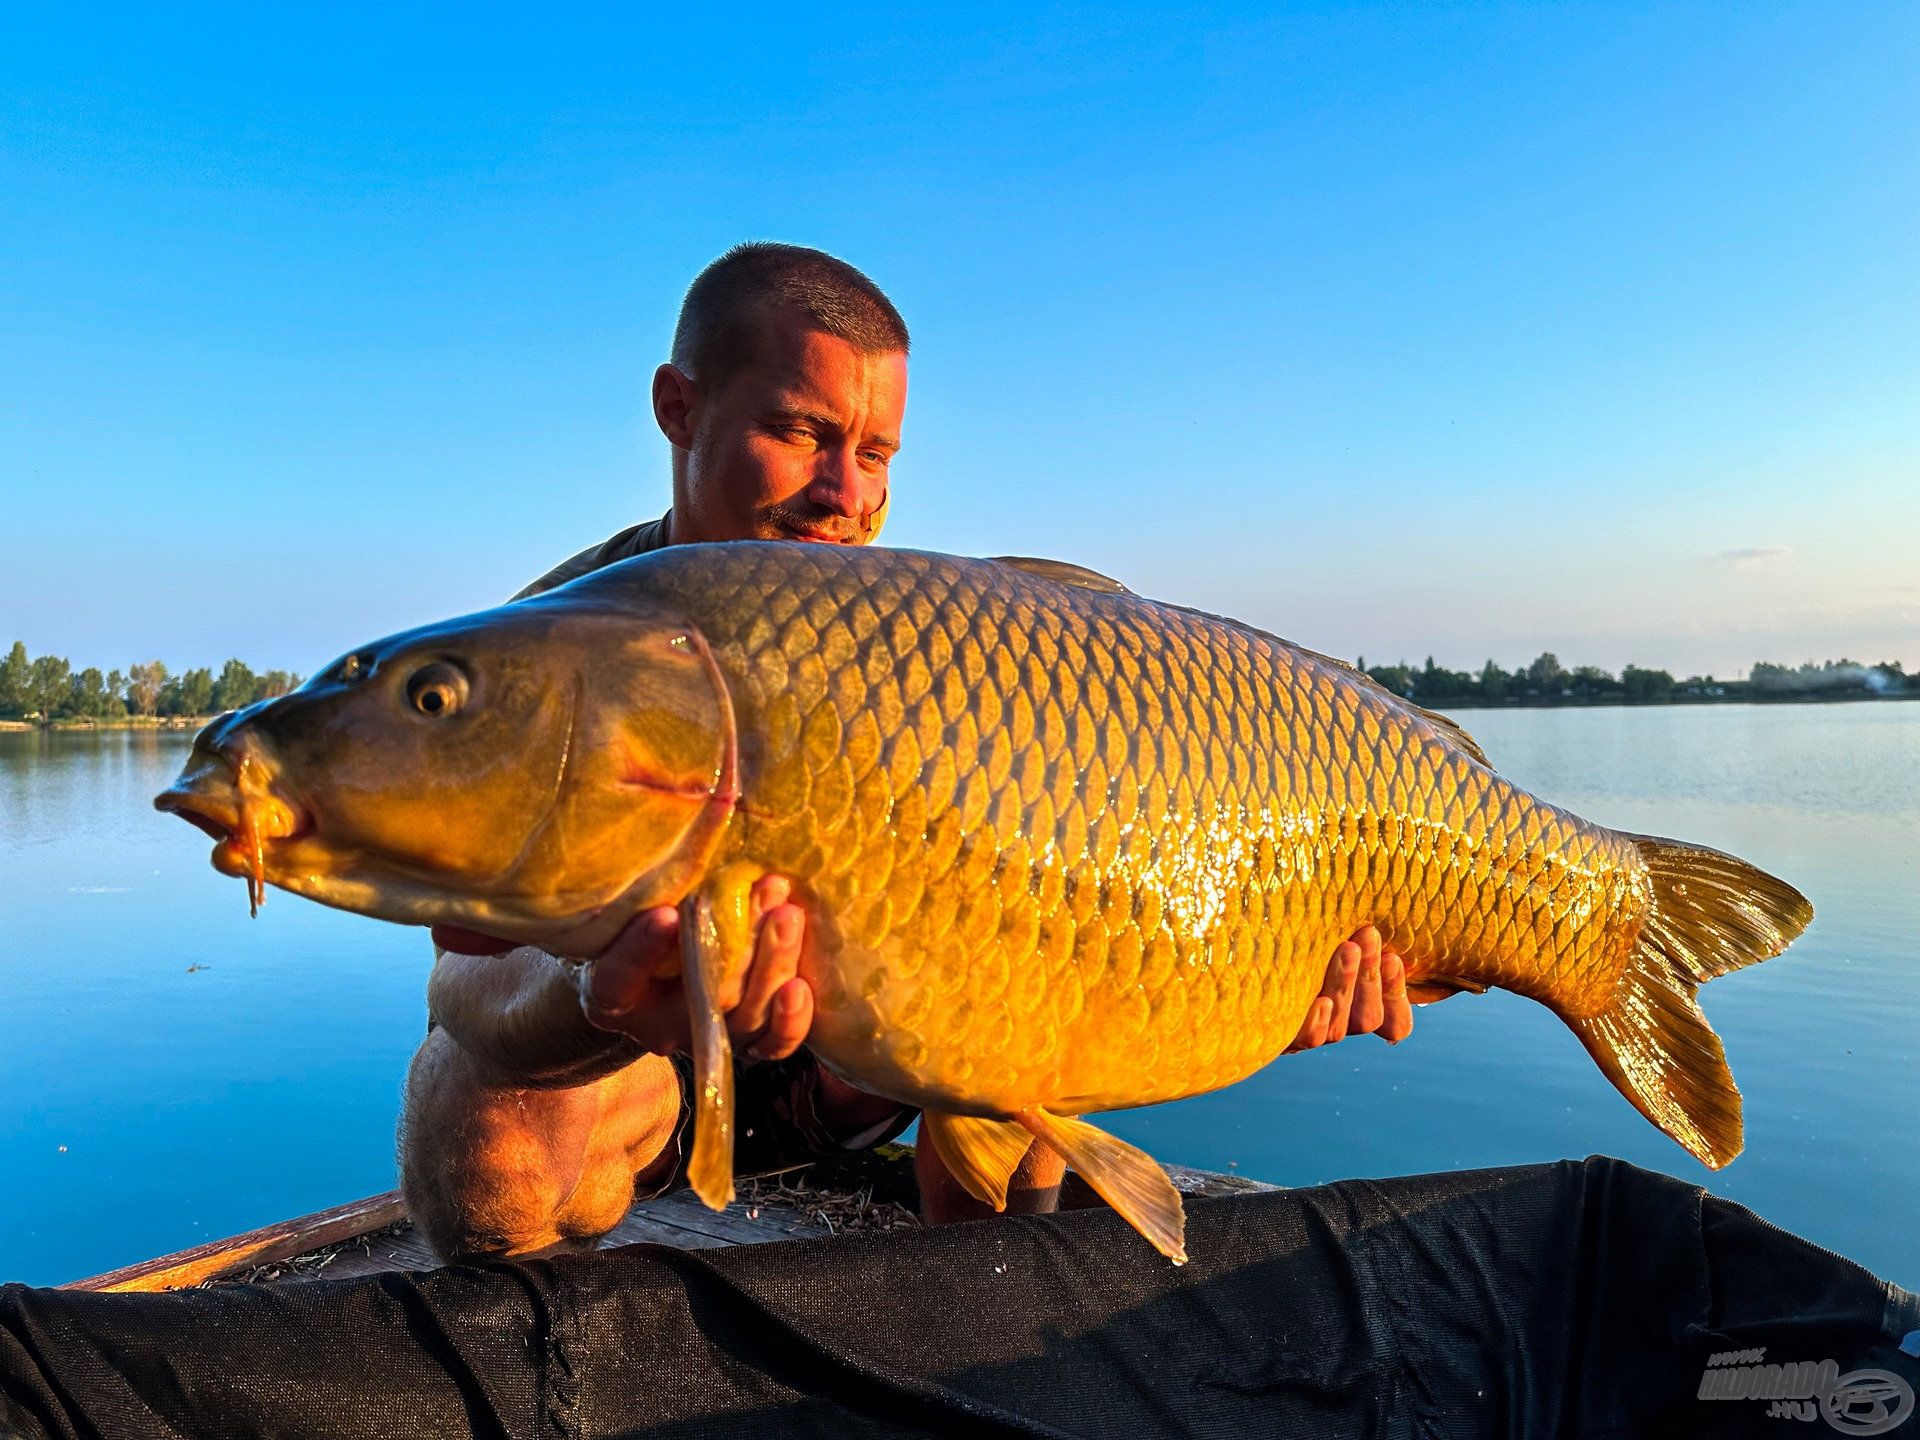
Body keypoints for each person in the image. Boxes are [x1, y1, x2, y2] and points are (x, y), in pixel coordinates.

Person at [399, 243, 1427, 1260]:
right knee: (477, 1113)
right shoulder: (552, 648)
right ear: (679, 407)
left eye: (877, 454)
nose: (846, 494)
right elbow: (465, 979)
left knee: (1012, 1105)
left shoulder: (942, 646)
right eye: (799, 432)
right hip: (658, 1071)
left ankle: (971, 1336)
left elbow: (1105, 888)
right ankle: (544, 1373)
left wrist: (1263, 972)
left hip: (872, 1066)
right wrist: (597, 1001)